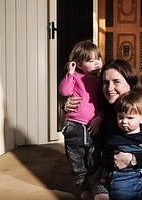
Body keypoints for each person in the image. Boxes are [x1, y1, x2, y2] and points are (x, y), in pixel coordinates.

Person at [64, 59, 142, 200]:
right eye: (105, 82)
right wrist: (67, 109)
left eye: (116, 82)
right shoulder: (102, 111)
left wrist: (133, 159)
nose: (109, 88)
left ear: (130, 84)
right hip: (114, 170)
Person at [59, 40, 104, 200]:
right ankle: (83, 187)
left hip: (93, 126)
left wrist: (99, 117)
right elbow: (64, 91)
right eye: (91, 60)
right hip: (74, 126)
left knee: (93, 160)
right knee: (76, 162)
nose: (97, 62)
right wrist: (70, 73)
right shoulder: (76, 77)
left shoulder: (100, 81)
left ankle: (90, 176)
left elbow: (103, 104)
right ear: (78, 64)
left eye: (98, 58)